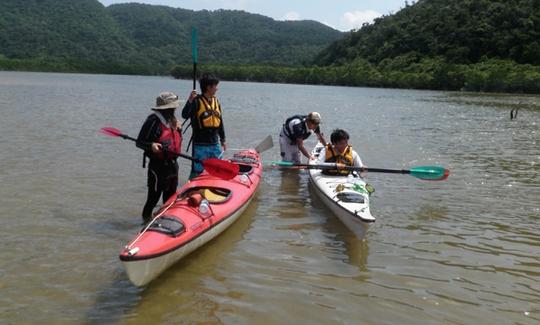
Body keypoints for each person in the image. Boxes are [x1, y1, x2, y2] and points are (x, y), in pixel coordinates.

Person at [136, 91, 183, 224]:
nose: (175, 109)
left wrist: (178, 130)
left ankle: (164, 223)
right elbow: (139, 142)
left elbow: (176, 141)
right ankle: (145, 223)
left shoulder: (173, 121)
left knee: (170, 199)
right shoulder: (153, 121)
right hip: (158, 167)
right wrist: (151, 145)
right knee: (153, 199)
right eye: (173, 107)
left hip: (173, 166)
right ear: (166, 108)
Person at [182, 73, 226, 179]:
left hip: (215, 144)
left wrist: (223, 139)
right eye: (215, 86)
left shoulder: (216, 102)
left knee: (217, 169)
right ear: (208, 87)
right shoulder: (196, 101)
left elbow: (220, 122)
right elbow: (184, 115)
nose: (217, 89)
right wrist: (189, 101)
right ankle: (193, 189)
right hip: (200, 145)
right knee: (198, 172)